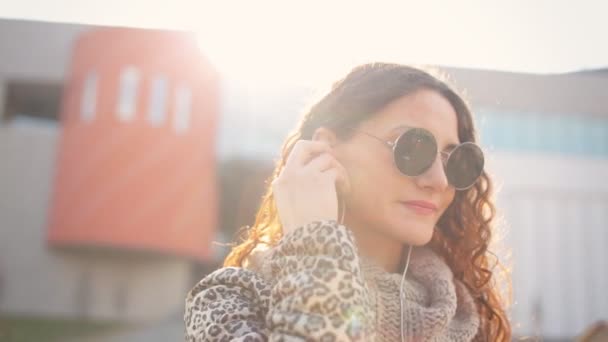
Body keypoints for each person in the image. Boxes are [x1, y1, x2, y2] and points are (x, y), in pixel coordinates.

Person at [184, 62, 511, 341]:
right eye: (412, 147)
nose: (439, 181)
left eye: (454, 160)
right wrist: (315, 243)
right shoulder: (229, 302)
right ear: (328, 147)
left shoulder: (471, 319)